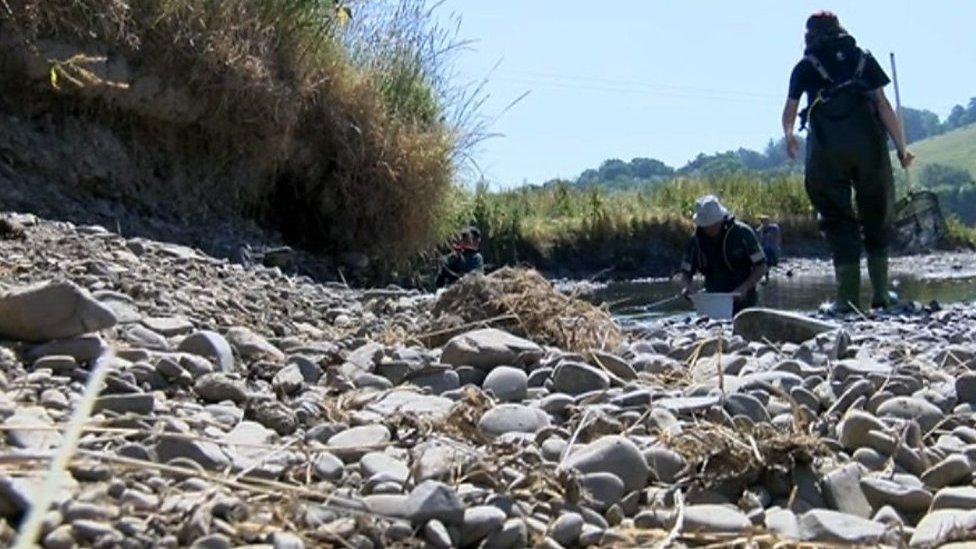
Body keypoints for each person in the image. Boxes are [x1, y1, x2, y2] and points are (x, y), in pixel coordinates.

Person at [781, 11, 914, 313]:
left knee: (837, 217)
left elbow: (790, 109)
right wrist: (901, 148)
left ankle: (847, 299)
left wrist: (789, 135)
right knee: (876, 212)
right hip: (869, 147)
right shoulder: (862, 58)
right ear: (840, 29)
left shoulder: (805, 66)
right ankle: (881, 294)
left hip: (827, 151)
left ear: (808, 35)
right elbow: (882, 104)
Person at [677, 195, 768, 314]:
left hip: (745, 301)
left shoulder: (743, 233)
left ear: (721, 219)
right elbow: (685, 273)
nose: (711, 229)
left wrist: (744, 288)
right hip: (713, 301)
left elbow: (761, 266)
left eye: (714, 224)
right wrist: (687, 288)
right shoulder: (695, 242)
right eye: (707, 226)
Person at [757, 215, 782, 282]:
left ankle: (766, 274)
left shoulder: (774, 228)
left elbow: (776, 237)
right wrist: (762, 232)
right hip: (765, 250)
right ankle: (765, 275)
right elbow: (760, 241)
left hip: (773, 250)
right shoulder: (760, 230)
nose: (762, 222)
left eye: (764, 221)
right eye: (762, 221)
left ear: (768, 221)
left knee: (768, 256)